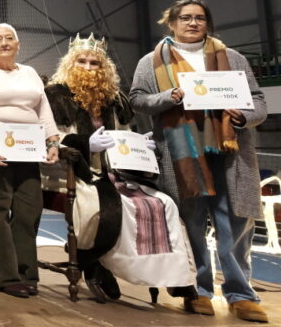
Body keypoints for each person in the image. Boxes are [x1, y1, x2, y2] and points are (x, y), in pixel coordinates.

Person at [130, 0, 267, 322]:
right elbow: (137, 99)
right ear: (171, 23)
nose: (193, 23)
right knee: (190, 222)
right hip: (181, 154)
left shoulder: (232, 57)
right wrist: (169, 97)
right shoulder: (150, 62)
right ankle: (198, 290)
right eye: (186, 18)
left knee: (234, 221)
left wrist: (242, 116)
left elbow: (258, 101)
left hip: (230, 152)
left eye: (200, 18)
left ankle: (240, 294)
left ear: (208, 23)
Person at [45, 34, 195, 302]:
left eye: (95, 63)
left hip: (116, 171)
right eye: (82, 62)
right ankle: (95, 263)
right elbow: (50, 137)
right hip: (74, 172)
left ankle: (175, 277)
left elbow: (125, 134)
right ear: (70, 63)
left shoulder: (115, 98)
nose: (88, 68)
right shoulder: (55, 95)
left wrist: (139, 144)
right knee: (103, 206)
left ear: (104, 68)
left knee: (164, 204)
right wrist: (84, 144)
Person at [0, 23, 60, 298]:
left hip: (28, 144)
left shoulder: (30, 73)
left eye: (9, 38)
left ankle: (25, 272)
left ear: (18, 45)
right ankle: (2, 277)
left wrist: (53, 142)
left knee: (29, 207)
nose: (4, 43)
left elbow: (44, 110)